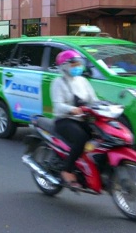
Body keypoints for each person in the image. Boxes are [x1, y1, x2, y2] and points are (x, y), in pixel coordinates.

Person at [50, 50, 98, 189]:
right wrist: (72, 109)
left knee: (100, 136)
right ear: (64, 66)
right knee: (81, 138)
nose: (78, 66)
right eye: (74, 64)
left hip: (83, 118)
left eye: (79, 63)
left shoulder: (83, 81)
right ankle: (67, 170)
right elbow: (58, 106)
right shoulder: (58, 83)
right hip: (64, 120)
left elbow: (93, 99)